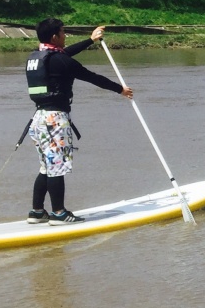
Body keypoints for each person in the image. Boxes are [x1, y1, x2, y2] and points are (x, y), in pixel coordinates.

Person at [25, 18, 133, 225]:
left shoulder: (37, 57)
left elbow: (65, 55)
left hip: (38, 119)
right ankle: (59, 213)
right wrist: (120, 89)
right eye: (63, 32)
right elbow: (92, 77)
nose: (65, 36)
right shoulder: (61, 61)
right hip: (55, 121)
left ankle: (37, 212)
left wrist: (90, 40)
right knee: (57, 167)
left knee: (46, 168)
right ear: (55, 37)